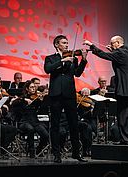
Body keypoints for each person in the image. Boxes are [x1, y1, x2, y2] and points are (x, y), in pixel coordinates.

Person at [83, 35, 128, 145]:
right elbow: (119, 61)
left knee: (123, 115)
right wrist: (113, 51)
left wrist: (92, 46)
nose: (110, 45)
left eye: (112, 43)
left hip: (126, 89)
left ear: (118, 43)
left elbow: (104, 55)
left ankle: (125, 139)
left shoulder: (119, 53)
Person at [44, 34, 88, 163]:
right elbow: (48, 69)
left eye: (67, 43)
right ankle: (57, 154)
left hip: (69, 95)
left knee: (74, 124)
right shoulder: (50, 58)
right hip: (56, 95)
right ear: (57, 44)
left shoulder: (73, 58)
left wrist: (83, 60)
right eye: (64, 43)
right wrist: (62, 61)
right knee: (55, 125)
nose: (67, 45)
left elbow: (77, 73)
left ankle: (76, 153)